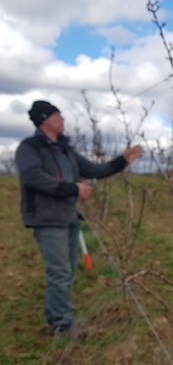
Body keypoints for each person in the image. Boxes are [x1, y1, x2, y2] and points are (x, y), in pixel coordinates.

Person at [15, 100, 143, 337]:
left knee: (68, 272)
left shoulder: (65, 150)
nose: (62, 119)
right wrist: (73, 189)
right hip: (47, 219)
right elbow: (33, 177)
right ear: (45, 120)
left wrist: (122, 160)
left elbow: (94, 170)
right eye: (58, 115)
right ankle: (61, 326)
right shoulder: (30, 148)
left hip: (68, 217)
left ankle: (60, 317)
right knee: (60, 272)